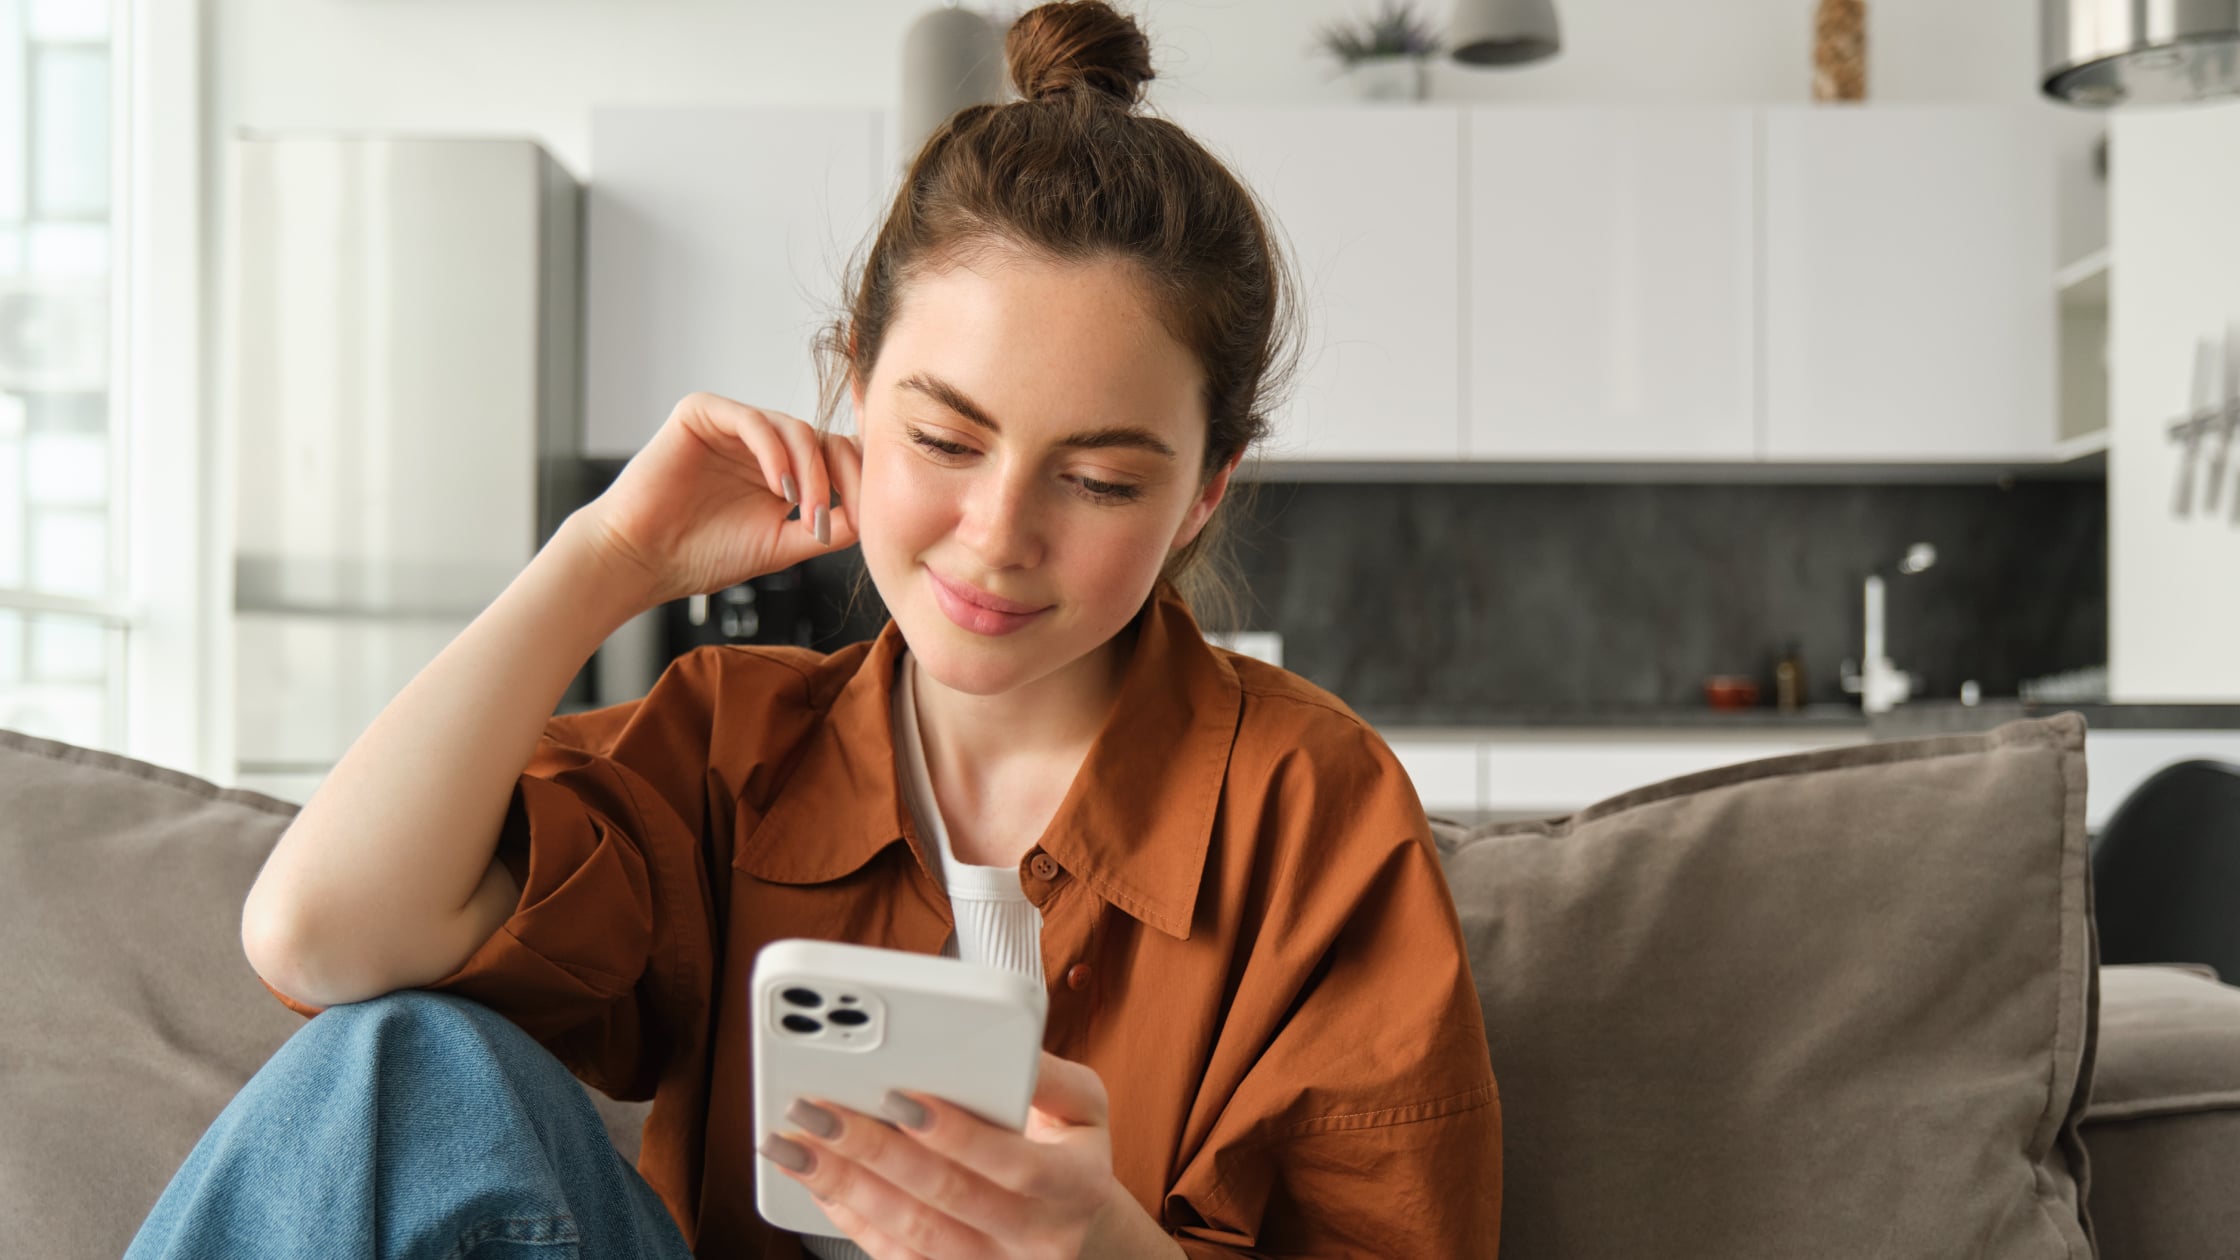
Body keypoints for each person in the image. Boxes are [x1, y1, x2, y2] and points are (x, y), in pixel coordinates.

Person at [130, 2, 1501, 1256]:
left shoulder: (1317, 814)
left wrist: (1103, 1247)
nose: (997, 534)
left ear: (1207, 492)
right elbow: (318, 941)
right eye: (944, 438)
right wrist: (603, 560)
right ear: (853, 391)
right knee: (398, 1061)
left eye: (1099, 480)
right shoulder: (733, 747)